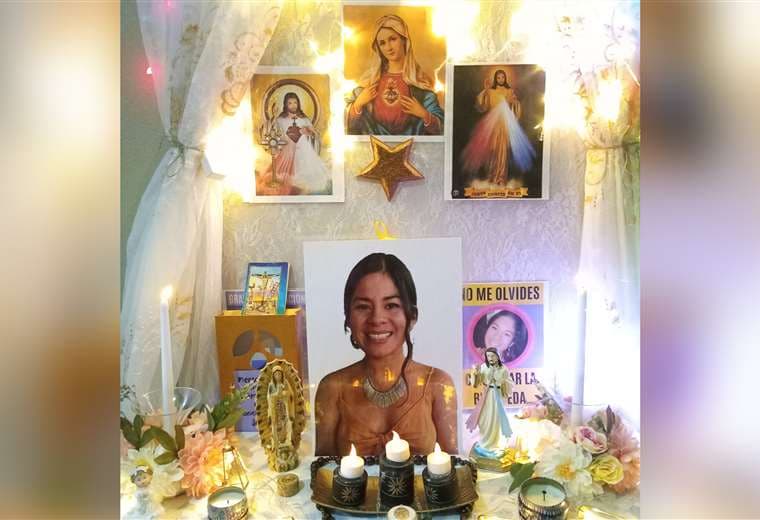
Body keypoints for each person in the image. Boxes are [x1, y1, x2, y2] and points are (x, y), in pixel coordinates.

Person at [314, 253, 457, 456]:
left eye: (391, 306)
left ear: (412, 316)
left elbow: (454, 468)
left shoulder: (438, 385)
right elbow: (322, 471)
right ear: (348, 318)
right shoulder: (332, 389)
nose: (377, 318)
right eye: (363, 307)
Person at [346, 14, 444, 135]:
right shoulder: (370, 81)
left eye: (393, 39)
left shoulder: (420, 81)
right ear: (378, 48)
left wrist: (423, 114)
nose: (388, 47)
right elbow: (347, 126)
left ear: (404, 40)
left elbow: (441, 129)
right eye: (382, 43)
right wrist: (358, 104)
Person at [460, 69, 536, 185]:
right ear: (495, 78)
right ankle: (491, 176)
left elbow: (515, 108)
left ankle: (500, 177)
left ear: (505, 78)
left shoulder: (509, 91)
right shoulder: (490, 91)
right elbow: (482, 106)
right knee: (492, 150)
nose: (501, 79)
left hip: (504, 124)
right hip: (491, 125)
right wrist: (485, 90)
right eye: (498, 77)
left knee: (502, 151)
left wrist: (515, 103)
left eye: (502, 77)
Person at [266, 92, 330, 193]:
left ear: (298, 103)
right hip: (287, 151)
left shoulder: (304, 119)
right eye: (290, 103)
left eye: (295, 103)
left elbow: (314, 134)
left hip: (304, 150)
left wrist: (309, 132)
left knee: (311, 177)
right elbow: (275, 134)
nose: (293, 105)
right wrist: (297, 132)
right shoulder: (280, 120)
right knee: (282, 177)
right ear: (285, 105)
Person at [465, 347, 512, 454]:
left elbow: (509, 384)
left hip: (498, 397)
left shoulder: (503, 369)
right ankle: (485, 442)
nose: (490, 358)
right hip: (487, 396)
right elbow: (475, 383)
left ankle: (497, 444)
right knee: (484, 418)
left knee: (497, 419)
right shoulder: (483, 367)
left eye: (493, 355)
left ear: (498, 356)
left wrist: (502, 382)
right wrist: (476, 373)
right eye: (488, 356)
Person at [267, 365, 294, 450]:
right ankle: (276, 443)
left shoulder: (285, 383)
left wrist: (284, 393)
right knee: (275, 426)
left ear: (282, 375)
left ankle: (286, 441)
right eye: (276, 374)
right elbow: (269, 397)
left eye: (279, 374)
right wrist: (276, 395)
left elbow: (291, 394)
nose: (278, 376)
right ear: (273, 376)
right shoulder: (271, 385)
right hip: (275, 409)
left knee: (285, 424)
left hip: (284, 408)